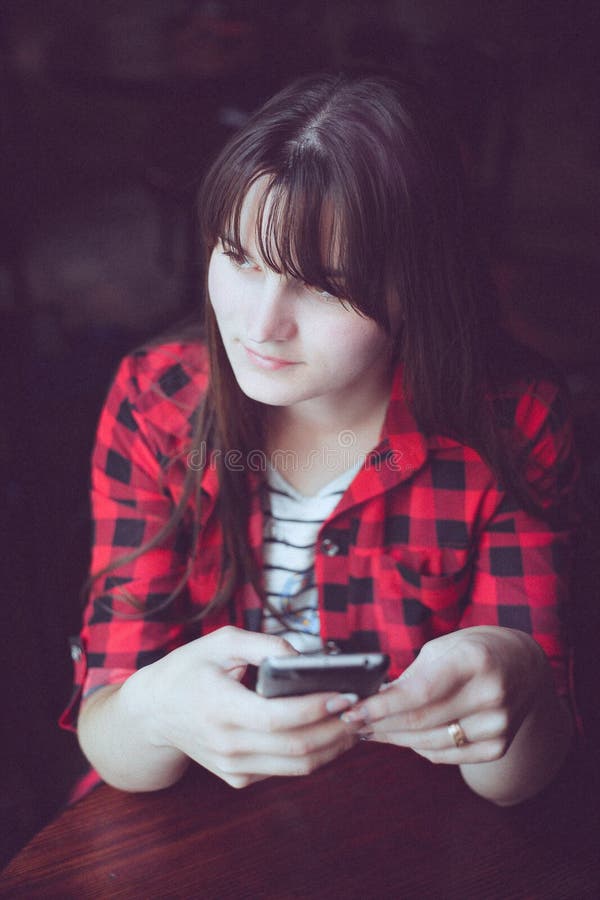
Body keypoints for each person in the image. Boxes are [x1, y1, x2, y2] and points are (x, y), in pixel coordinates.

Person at [62, 72, 578, 807]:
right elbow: (112, 746)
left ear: (417, 288)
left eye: (325, 285)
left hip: (414, 823)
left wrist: (515, 671)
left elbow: (516, 785)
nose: (260, 324)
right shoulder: (159, 401)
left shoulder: (510, 419)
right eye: (240, 258)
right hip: (192, 819)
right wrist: (152, 709)